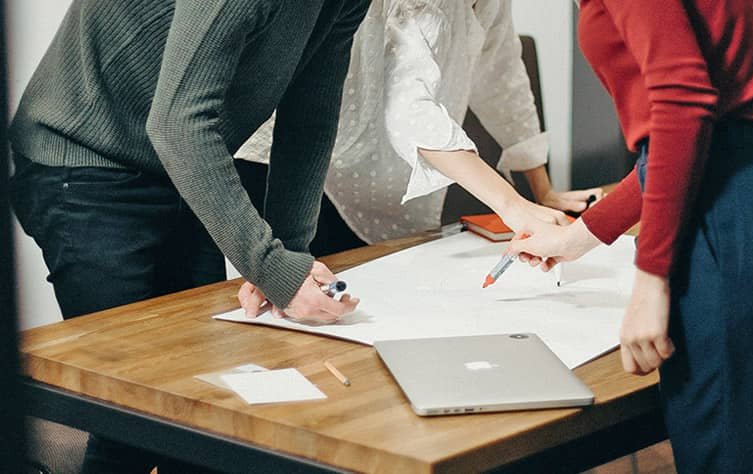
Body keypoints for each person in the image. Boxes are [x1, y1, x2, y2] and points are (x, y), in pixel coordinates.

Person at [9, 0, 370, 472]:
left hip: (176, 165)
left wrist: (289, 256)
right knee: (133, 416)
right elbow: (177, 122)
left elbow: (311, 115)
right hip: (81, 158)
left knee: (202, 409)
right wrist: (273, 266)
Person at [508, 1, 753, 472]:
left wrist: (651, 280)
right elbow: (726, 123)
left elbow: (683, 103)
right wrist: (579, 237)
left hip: (737, 222)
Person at [232, 0, 604, 260]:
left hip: (370, 167)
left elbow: (501, 75)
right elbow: (410, 112)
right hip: (295, 160)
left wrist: (543, 191)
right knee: (309, 314)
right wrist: (513, 205)